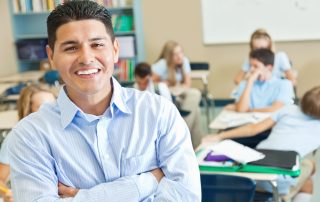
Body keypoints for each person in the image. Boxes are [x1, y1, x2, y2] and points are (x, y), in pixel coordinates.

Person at [7, 1, 201, 201]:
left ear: (115, 50)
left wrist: (82, 197)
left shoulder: (159, 113)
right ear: (51, 56)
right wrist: (147, 182)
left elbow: (186, 197)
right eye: (71, 48)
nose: (86, 57)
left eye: (97, 44)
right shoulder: (29, 136)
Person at [202, 86, 320, 201]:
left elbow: (253, 129)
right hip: (278, 180)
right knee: (310, 169)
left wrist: (219, 136)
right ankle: (287, 196)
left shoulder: (288, 109)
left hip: (251, 170)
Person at [0, 85, 56, 202]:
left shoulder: (62, 134)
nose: (51, 112)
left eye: (54, 106)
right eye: (43, 108)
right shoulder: (16, 139)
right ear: (28, 112)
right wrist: (7, 194)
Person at [152, 41, 203, 148]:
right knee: (196, 108)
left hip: (180, 94)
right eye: (175, 54)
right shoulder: (162, 64)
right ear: (169, 56)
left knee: (194, 96)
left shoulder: (185, 62)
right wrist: (165, 83)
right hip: (168, 98)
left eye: (181, 52)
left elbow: (187, 84)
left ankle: (186, 141)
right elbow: (151, 83)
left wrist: (177, 87)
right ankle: (190, 143)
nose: (179, 56)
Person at [229, 48, 294, 113]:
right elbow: (241, 110)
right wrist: (250, 81)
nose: (251, 69)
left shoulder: (285, 84)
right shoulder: (244, 84)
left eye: (255, 66)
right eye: (250, 66)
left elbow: (276, 109)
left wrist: (249, 110)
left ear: (269, 68)